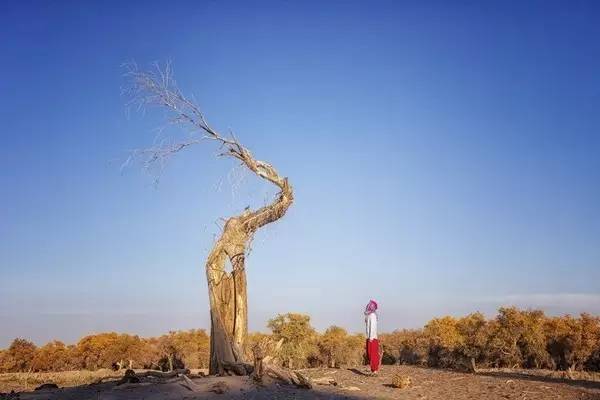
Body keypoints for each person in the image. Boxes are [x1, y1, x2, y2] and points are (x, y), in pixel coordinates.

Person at [364, 299, 380, 375]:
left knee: (373, 354)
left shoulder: (372, 315)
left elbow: (372, 327)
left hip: (372, 338)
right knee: (369, 353)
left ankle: (375, 370)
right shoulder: (369, 315)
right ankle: (373, 370)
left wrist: (370, 338)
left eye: (369, 305)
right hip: (369, 337)